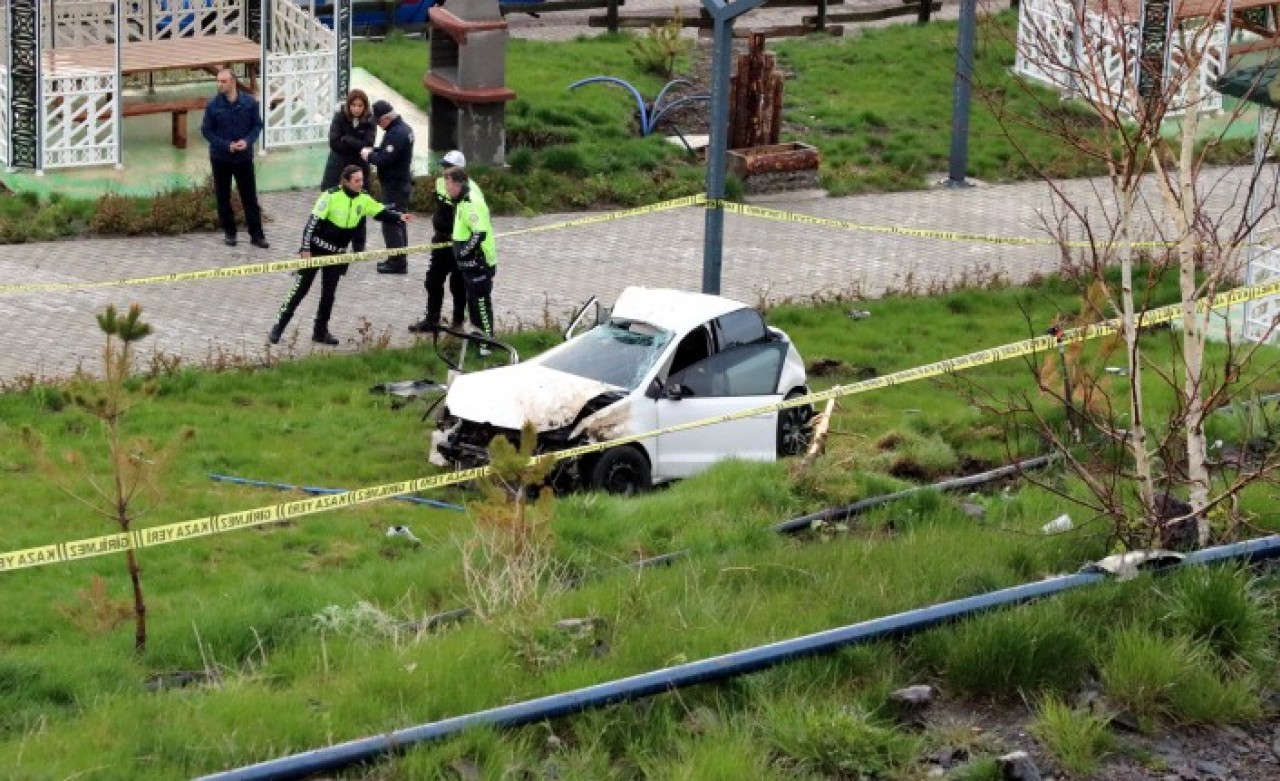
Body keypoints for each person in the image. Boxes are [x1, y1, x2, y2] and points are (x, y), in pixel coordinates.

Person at [268, 165, 413, 346]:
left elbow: (381, 212)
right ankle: (278, 326)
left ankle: (320, 331)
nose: (361, 184)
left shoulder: (364, 199)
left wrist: (399, 217)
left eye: (362, 180)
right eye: (356, 181)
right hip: (315, 251)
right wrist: (305, 249)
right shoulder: (330, 196)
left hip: (338, 256)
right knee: (300, 290)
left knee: (329, 295)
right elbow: (311, 224)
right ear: (345, 181)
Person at [201, 67, 268, 249]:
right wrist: (226, 145)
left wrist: (247, 141)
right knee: (223, 197)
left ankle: (257, 234)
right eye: (218, 81)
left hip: (243, 158)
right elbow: (207, 131)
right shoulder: (213, 105)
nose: (219, 84)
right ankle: (229, 232)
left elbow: (257, 125)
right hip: (221, 158)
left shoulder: (249, 103)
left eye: (223, 81)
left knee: (249, 197)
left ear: (232, 82)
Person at [408, 149, 468, 334]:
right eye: (443, 166)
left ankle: (458, 323)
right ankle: (432, 320)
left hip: (458, 242)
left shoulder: (467, 190)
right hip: (440, 239)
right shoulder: (441, 182)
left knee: (458, 285)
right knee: (432, 281)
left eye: (448, 167)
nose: (444, 171)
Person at [444, 167, 497, 346]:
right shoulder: (460, 201)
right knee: (472, 304)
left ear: (458, 184)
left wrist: (464, 252)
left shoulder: (470, 202)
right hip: (468, 265)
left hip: (479, 264)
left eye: (448, 183)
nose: (446, 188)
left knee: (481, 305)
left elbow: (479, 234)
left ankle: (487, 344)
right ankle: (477, 342)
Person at [361, 100, 415, 275]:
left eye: (378, 121)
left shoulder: (396, 133)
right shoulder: (400, 129)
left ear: (386, 118)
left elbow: (385, 159)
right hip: (399, 183)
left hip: (395, 186)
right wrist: (375, 150)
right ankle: (399, 258)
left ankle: (397, 262)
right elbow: (387, 152)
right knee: (398, 220)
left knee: (391, 222)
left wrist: (369, 156)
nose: (377, 125)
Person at [320, 89, 376, 190]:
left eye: (360, 106)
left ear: (365, 106)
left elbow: (368, 144)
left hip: (360, 164)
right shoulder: (339, 116)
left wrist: (348, 139)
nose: (356, 109)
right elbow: (334, 142)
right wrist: (357, 146)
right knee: (331, 191)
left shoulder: (369, 120)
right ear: (348, 105)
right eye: (353, 105)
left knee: (361, 192)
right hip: (338, 162)